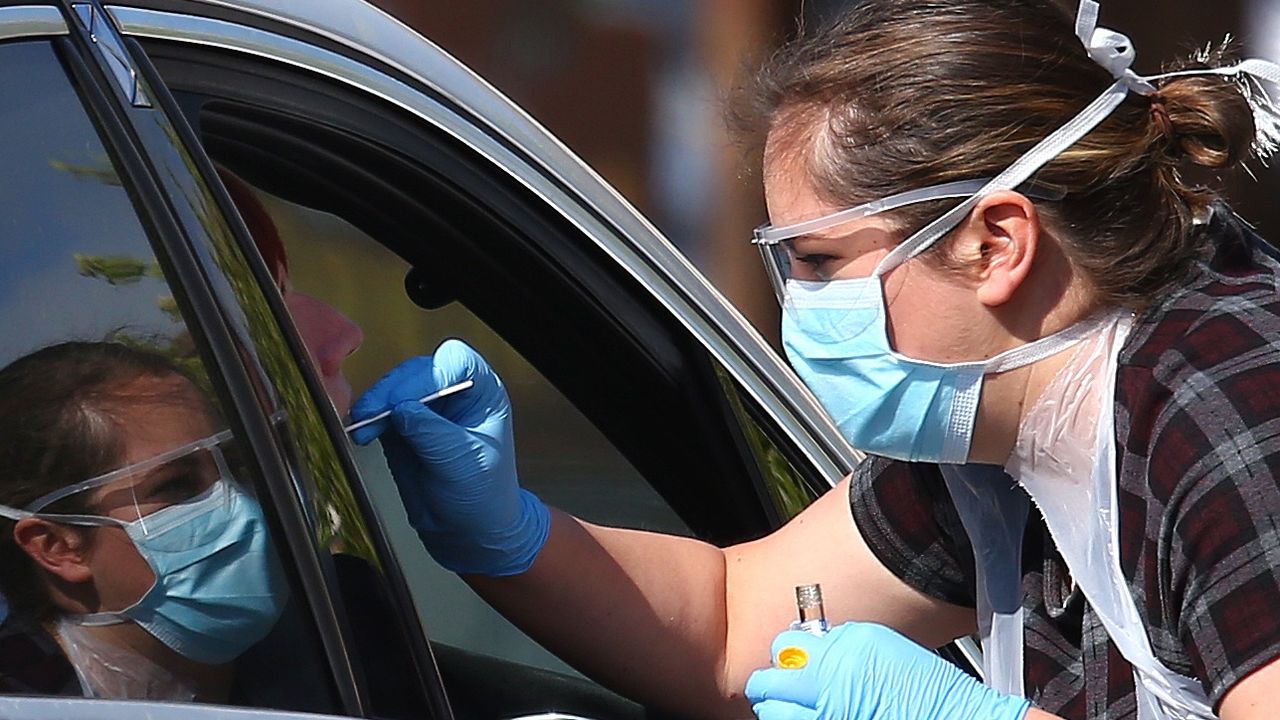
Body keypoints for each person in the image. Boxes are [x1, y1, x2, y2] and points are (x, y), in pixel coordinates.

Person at [348, 0, 1280, 718]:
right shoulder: (995, 419)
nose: (804, 303)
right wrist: (506, 535)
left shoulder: (1233, 404)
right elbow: (731, 629)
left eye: (822, 261)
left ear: (996, 243)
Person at [0, 342, 287, 700]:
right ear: (57, 547)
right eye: (177, 486)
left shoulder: (347, 623)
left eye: (238, 464)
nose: (243, 505)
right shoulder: (18, 701)